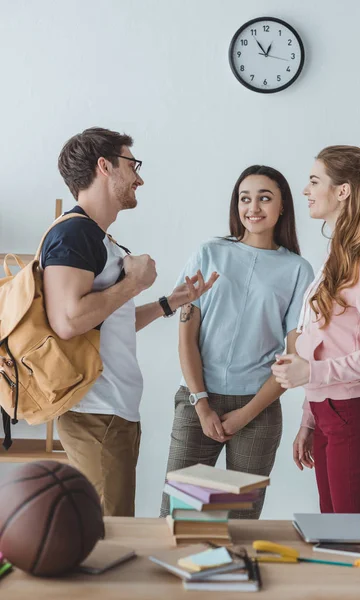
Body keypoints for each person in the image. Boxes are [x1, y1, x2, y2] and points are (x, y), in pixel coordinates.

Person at [42, 127, 218, 517]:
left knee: (114, 525)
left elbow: (107, 322)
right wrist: (134, 282)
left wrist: (171, 302)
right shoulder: (74, 234)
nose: (139, 177)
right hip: (95, 411)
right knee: (111, 534)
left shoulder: (97, 237)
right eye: (132, 164)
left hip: (111, 412)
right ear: (104, 166)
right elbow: (68, 322)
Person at [160, 165, 314, 519]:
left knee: (239, 524)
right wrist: (201, 404)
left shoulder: (297, 270)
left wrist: (245, 414)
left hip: (257, 409)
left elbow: (293, 358)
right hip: (197, 399)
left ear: (282, 208)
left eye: (264, 198)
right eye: (245, 198)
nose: (253, 207)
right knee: (177, 517)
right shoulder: (208, 253)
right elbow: (186, 335)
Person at [272, 145, 360, 514]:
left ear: (342, 191)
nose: (306, 190)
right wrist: (310, 417)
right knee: (332, 535)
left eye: (314, 181)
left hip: (354, 413)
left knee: (352, 539)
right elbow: (328, 341)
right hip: (328, 409)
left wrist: (310, 373)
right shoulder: (341, 252)